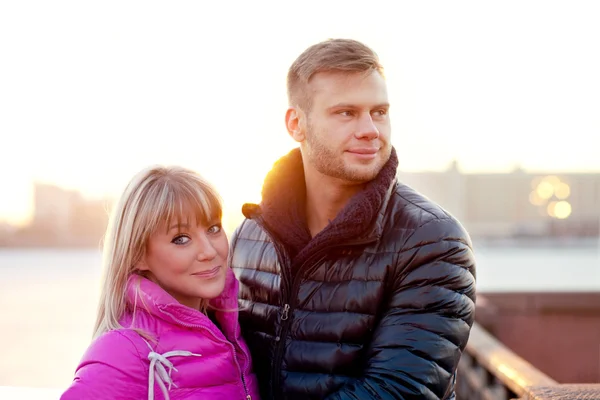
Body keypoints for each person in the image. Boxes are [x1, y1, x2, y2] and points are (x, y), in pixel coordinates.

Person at [229, 38, 476, 400]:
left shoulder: (433, 240)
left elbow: (399, 392)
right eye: (346, 112)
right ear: (296, 124)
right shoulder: (250, 236)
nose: (370, 130)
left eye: (379, 112)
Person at [61, 166, 260, 400]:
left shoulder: (228, 328)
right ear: (138, 255)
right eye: (181, 239)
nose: (209, 250)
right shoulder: (125, 351)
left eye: (213, 228)